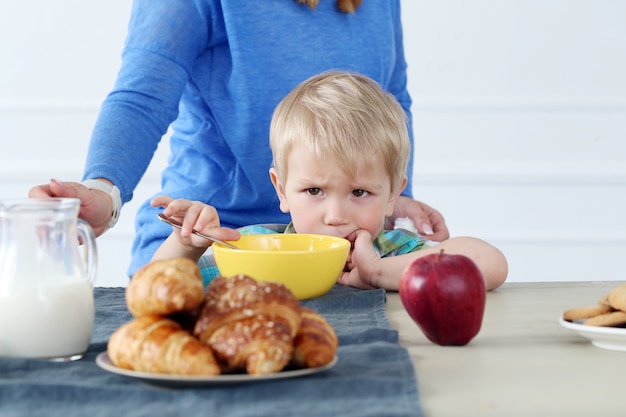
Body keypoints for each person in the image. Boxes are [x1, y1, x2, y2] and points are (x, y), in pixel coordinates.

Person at [28, 0, 450, 277]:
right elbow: (143, 97)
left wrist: (389, 194)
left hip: (344, 262)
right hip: (213, 243)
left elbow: (392, 98)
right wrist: (104, 190)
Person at [152, 72, 508, 291]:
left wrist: (379, 272)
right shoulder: (256, 250)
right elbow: (155, 287)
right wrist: (187, 245)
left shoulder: (397, 252)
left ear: (392, 196)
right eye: (314, 191)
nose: (335, 215)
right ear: (281, 189)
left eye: (359, 192)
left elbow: (489, 263)